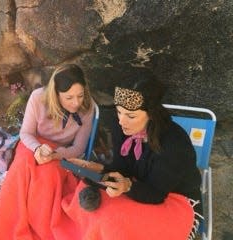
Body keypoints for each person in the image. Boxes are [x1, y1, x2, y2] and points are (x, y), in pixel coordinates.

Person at [68, 68, 202, 240]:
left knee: (112, 222)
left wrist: (127, 186)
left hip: (177, 201)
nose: (121, 121)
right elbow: (122, 168)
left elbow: (156, 194)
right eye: (118, 112)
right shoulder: (123, 128)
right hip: (141, 185)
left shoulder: (174, 144)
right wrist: (97, 168)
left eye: (131, 116)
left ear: (151, 115)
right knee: (89, 195)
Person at [0, 64, 95, 239]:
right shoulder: (38, 98)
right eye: (69, 97)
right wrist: (38, 149)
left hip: (61, 153)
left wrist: (55, 155)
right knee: (24, 165)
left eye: (80, 95)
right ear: (56, 94)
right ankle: (2, 225)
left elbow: (78, 148)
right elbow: (26, 133)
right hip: (32, 145)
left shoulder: (88, 108)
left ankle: (38, 229)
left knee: (48, 177)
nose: (76, 102)